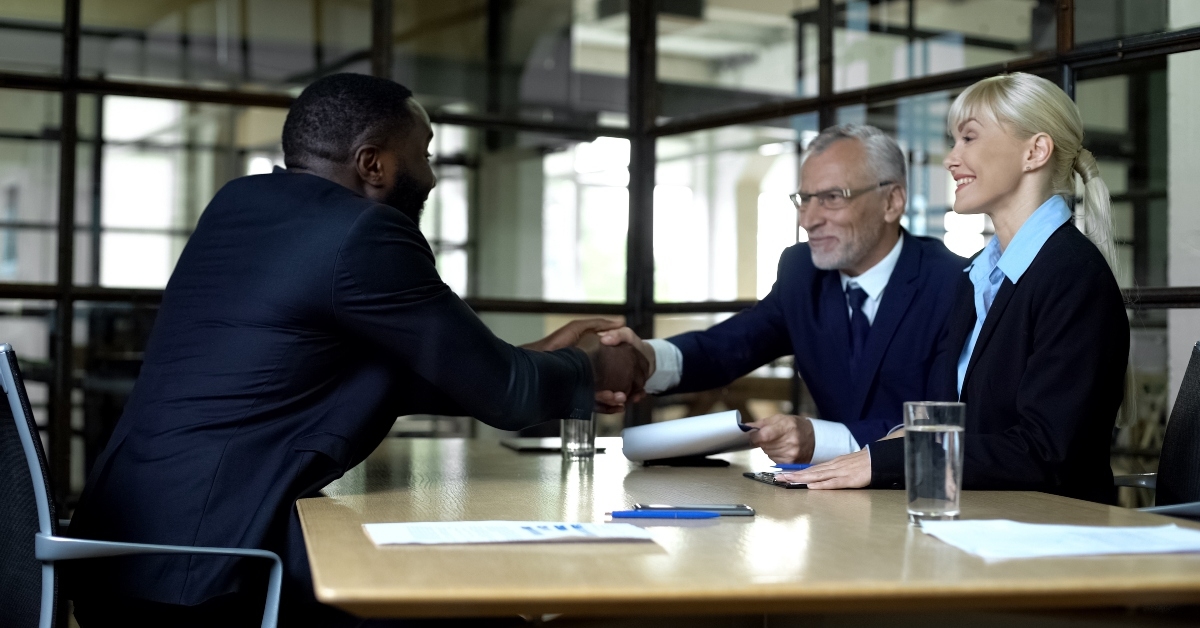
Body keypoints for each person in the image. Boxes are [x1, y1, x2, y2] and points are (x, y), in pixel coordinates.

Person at [67, 73, 648, 627]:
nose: (432, 174)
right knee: (460, 608)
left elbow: (338, 372)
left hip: (119, 555)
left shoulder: (240, 205)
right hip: (218, 574)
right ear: (373, 163)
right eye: (422, 152)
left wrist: (525, 357)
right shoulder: (364, 233)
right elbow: (511, 398)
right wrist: (600, 365)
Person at [783, 72, 1130, 503]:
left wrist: (887, 460)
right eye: (953, 141)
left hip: (1052, 534)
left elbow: (1047, 452)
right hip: (981, 519)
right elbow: (970, 425)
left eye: (968, 138)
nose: (951, 158)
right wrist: (889, 444)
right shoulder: (976, 278)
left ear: (1035, 151)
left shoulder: (1073, 277)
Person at [600, 124, 966, 464]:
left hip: (925, 498)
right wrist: (648, 358)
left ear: (892, 202)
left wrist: (818, 439)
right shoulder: (801, 272)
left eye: (832, 198)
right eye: (804, 199)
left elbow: (946, 423)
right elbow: (728, 347)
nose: (807, 219)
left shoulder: (954, 284)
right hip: (832, 505)